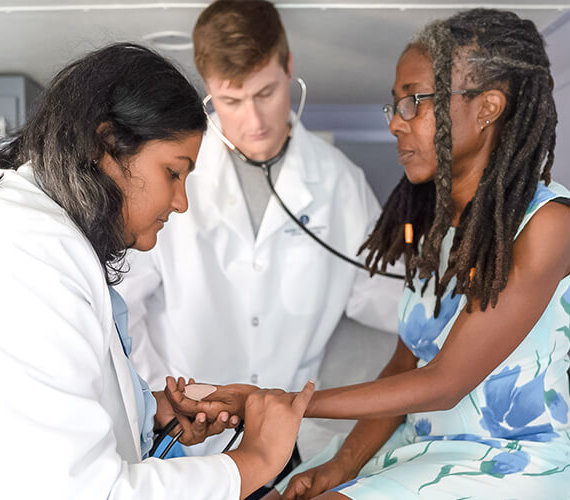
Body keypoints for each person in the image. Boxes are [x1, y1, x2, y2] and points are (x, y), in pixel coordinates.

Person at [0, 43, 314, 500]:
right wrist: (253, 463)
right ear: (106, 146)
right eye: (174, 172)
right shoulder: (28, 262)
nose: (181, 202)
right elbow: (87, 491)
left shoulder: (31, 232)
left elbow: (34, 422)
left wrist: (147, 414)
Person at [171, 8, 570, 499]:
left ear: (488, 107)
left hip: (508, 456)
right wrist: (342, 463)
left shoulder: (548, 223)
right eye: (394, 106)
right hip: (417, 444)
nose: (396, 123)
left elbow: (444, 382)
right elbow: (403, 366)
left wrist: (280, 404)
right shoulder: (430, 228)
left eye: (414, 101)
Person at [116, 0, 403, 457]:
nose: (253, 121)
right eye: (231, 100)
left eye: (266, 93)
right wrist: (153, 395)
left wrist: (460, 297)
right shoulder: (171, 172)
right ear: (207, 88)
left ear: (288, 67)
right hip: (182, 432)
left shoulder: (337, 181)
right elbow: (124, 303)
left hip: (290, 440)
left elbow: (382, 295)